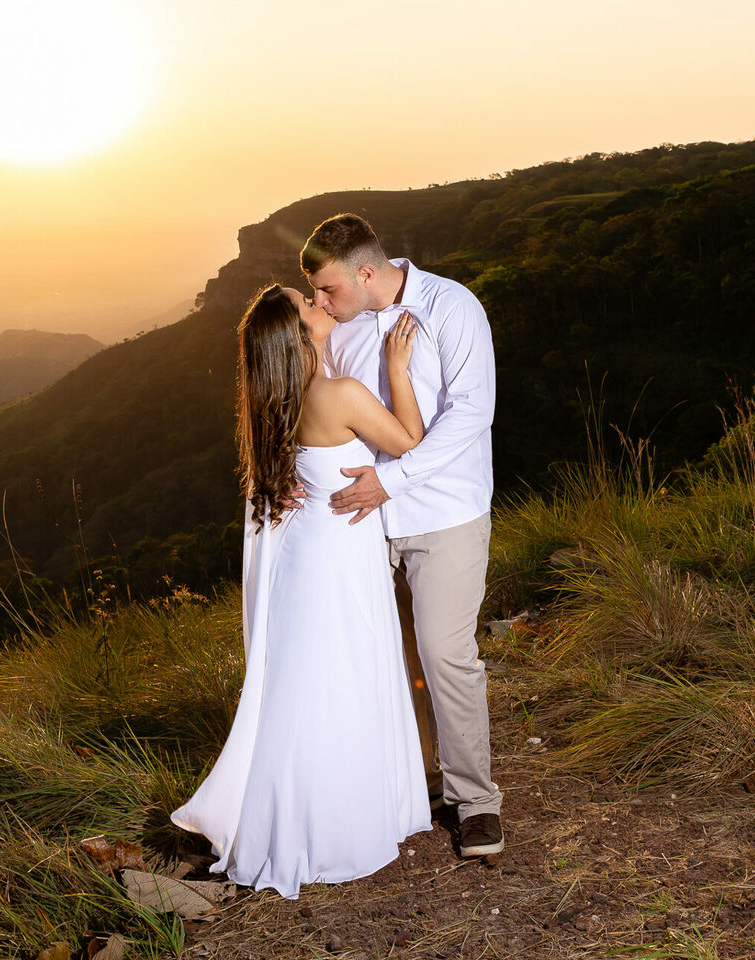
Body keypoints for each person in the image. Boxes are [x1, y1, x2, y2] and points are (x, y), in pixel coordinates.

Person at [170, 283, 433, 899]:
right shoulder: (339, 393)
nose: (320, 303)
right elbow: (413, 445)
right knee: (343, 675)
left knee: (309, 680)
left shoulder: (272, 401)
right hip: (338, 553)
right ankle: (335, 821)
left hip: (304, 555)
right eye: (307, 305)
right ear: (297, 335)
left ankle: (305, 814)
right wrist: (398, 369)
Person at [300, 213, 503, 858]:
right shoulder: (343, 329)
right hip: (360, 526)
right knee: (392, 663)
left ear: (366, 271)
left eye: (328, 289)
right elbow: (321, 407)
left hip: (442, 515)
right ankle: (413, 785)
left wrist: (394, 480)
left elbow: (473, 411)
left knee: (445, 655)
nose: (321, 303)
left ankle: (476, 801)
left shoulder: (451, 306)